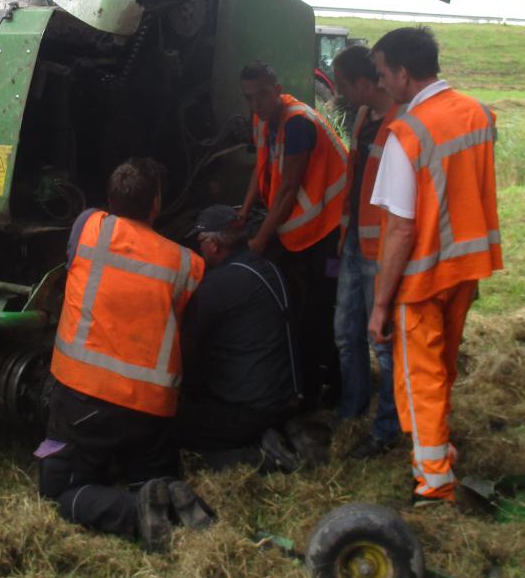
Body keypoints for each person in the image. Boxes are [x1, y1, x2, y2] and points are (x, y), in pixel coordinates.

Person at [37, 158, 211, 550]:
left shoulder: (87, 228)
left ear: (110, 200)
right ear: (156, 205)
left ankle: (135, 514)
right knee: (151, 475)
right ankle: (166, 500)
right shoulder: (188, 264)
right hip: (148, 415)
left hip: (82, 403)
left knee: (60, 493)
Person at [367, 27, 502, 505]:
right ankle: (440, 449)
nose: (381, 84)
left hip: (422, 277)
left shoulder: (407, 134)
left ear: (403, 74)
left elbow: (400, 229)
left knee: (419, 376)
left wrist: (380, 305)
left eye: (383, 74)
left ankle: (434, 480)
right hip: (465, 267)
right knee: (441, 369)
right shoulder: (477, 113)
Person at [236, 61, 349, 408]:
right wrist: (242, 215)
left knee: (322, 304)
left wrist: (259, 239)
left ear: (277, 88)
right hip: (304, 226)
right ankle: (308, 373)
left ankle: (328, 383)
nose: (256, 105)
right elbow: (261, 170)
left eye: (262, 96)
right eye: (249, 98)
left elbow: (287, 190)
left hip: (331, 227)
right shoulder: (263, 120)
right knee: (304, 303)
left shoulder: (298, 124)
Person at [176, 204, 301, 470]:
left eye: (200, 242)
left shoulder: (219, 284)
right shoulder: (268, 267)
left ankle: (260, 457)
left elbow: (186, 343)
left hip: (250, 409)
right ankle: (272, 433)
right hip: (286, 395)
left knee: (170, 427)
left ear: (212, 245)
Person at [329, 45, 403, 456]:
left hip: (383, 246)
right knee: (345, 332)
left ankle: (386, 428)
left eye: (342, 84)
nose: (338, 92)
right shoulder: (361, 118)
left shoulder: (400, 123)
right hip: (356, 241)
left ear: (363, 82)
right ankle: (351, 409)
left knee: (382, 341)